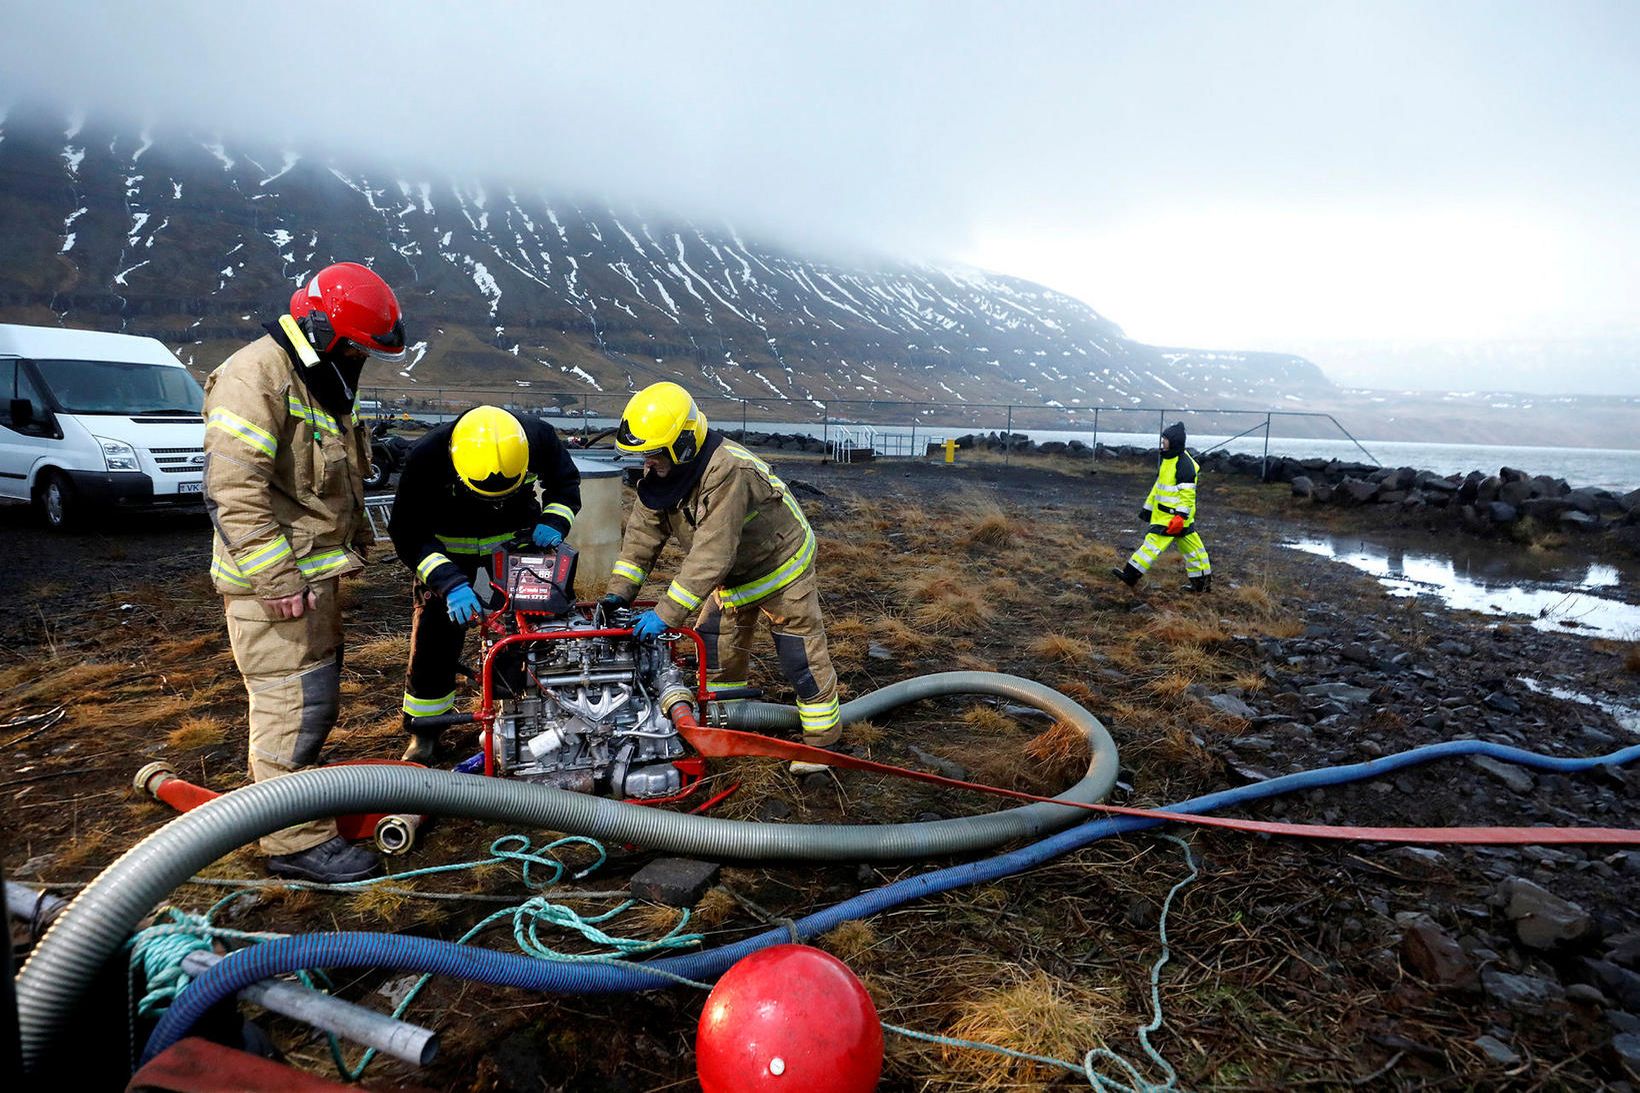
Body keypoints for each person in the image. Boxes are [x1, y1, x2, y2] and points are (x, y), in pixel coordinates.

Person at [203, 261, 406, 883]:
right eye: (357, 349)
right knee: (288, 705)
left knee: (310, 701)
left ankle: (292, 809)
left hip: (313, 582)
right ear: (324, 331)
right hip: (280, 591)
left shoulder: (314, 377)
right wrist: (278, 578)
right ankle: (293, 844)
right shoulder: (256, 377)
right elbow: (233, 490)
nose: (360, 362)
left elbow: (324, 478)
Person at [601, 382, 841, 773]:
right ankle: (728, 720)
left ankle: (821, 743)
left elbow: (712, 554)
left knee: (799, 655)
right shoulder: (663, 476)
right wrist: (617, 596)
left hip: (780, 565)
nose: (647, 465)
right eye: (642, 456)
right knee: (715, 652)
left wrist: (666, 614)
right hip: (733, 575)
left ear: (682, 445)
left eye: (654, 456)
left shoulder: (727, 469)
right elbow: (642, 539)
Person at [389, 406, 582, 763]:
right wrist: (448, 582)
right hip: (446, 548)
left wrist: (555, 519)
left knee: (523, 628)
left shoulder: (536, 438)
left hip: (514, 543)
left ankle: (514, 717)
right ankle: (425, 731)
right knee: (435, 634)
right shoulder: (427, 456)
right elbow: (407, 531)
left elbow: (565, 485)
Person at [1111, 421, 1212, 593]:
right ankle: (1201, 586)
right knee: (1195, 550)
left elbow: (1188, 495)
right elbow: (1158, 488)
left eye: (1165, 439)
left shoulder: (1184, 464)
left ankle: (1130, 575)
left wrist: (1180, 517)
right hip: (1171, 518)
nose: (1162, 442)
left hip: (1172, 519)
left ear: (1174, 442)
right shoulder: (1169, 460)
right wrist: (1148, 509)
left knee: (1151, 546)